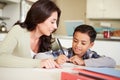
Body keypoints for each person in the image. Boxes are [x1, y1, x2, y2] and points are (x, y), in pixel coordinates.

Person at [0, 0, 61, 69]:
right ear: (39, 18)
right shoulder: (18, 30)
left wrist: (74, 54)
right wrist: (39, 63)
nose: (55, 27)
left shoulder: (48, 36)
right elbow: (1, 57)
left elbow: (60, 50)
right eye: (52, 22)